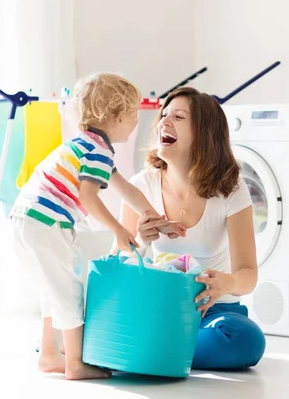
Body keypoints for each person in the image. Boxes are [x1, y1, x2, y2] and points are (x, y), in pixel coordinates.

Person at [11, 73, 185, 380]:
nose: (136, 122)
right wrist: (119, 230)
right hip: (47, 223)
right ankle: (75, 364)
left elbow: (127, 190)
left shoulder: (87, 145)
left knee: (53, 288)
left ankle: (50, 355)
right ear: (118, 118)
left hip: (27, 219)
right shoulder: (97, 152)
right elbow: (88, 197)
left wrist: (159, 219)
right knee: (69, 293)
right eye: (134, 115)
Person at [117, 87, 266, 370]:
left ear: (204, 133)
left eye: (179, 116)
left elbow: (248, 275)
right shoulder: (141, 186)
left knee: (246, 340)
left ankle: (148, 349)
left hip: (214, 311)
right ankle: (168, 347)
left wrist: (227, 284)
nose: (164, 122)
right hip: (161, 307)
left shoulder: (231, 191)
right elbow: (119, 264)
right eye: (164, 115)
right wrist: (141, 240)